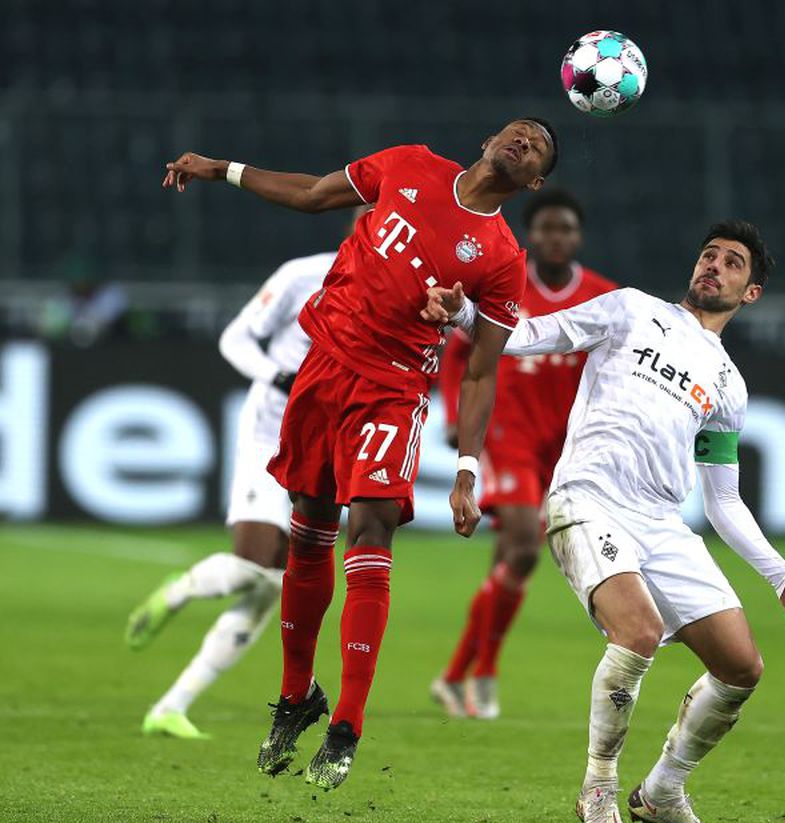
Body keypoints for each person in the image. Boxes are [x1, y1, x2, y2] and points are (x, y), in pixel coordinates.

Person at [160, 116, 558, 789]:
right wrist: (220, 168)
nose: (524, 141)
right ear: (489, 139)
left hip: (392, 389)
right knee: (307, 534)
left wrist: (466, 470)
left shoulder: (500, 258)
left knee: (368, 532)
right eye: (518, 132)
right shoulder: (407, 164)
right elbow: (312, 194)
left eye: (539, 147)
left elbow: (485, 368)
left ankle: (347, 723)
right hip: (323, 371)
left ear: (533, 181)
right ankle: (295, 698)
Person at [423, 220, 785, 823]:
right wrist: (466, 312)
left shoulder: (727, 386)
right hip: (588, 498)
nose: (713, 265)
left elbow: (723, 500)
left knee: (741, 666)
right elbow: (527, 335)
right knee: (638, 630)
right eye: (708, 253)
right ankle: (599, 787)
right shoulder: (630, 309)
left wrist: (784, 578)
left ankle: (662, 790)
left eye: (732, 263)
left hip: (662, 522)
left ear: (751, 293)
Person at [124, 214, 363, 738]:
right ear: (356, 226)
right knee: (257, 564)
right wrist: (278, 374)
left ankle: (171, 705)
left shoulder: (399, 293)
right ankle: (183, 588)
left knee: (276, 583)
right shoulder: (303, 275)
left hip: (331, 436)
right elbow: (235, 338)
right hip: (272, 424)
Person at [432, 188, 618, 719]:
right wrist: (454, 416)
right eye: (546, 229)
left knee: (507, 566)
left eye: (566, 229)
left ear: (577, 237)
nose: (556, 237)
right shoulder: (505, 285)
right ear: (532, 235)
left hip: (564, 447)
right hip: (507, 434)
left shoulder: (603, 297)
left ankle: (453, 677)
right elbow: (458, 350)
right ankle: (485, 674)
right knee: (523, 548)